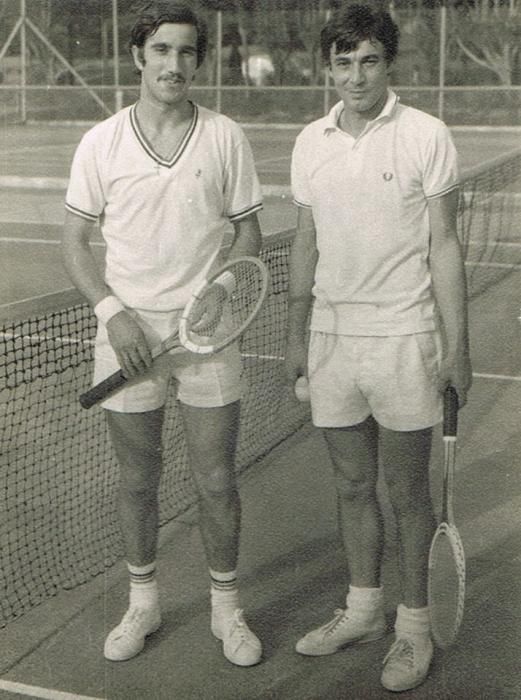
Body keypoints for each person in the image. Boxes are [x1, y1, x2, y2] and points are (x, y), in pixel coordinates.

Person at [62, 1, 264, 667]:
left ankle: (226, 610)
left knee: (215, 479)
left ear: (197, 61)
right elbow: (75, 241)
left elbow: (248, 231)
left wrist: (221, 289)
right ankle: (143, 605)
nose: (173, 64)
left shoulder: (225, 135)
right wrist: (113, 314)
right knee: (137, 481)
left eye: (185, 52)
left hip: (210, 336)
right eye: (161, 51)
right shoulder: (101, 143)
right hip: (127, 339)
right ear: (138, 57)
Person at [285, 3, 472, 693]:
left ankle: (412, 628)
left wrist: (457, 345)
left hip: (403, 338)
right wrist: (296, 336)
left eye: (367, 59)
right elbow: (304, 242)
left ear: (387, 63)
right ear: (327, 68)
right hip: (332, 340)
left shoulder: (425, 134)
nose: (354, 74)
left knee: (406, 492)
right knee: (351, 485)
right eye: (342, 61)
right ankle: (363, 610)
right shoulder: (310, 141)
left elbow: (444, 244)